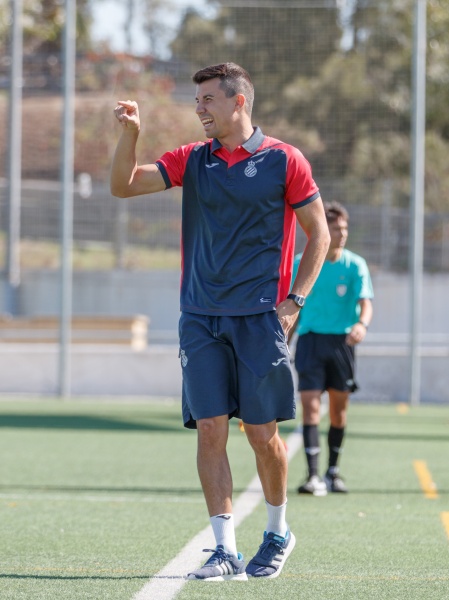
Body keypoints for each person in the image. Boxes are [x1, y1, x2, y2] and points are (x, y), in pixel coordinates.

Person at [110, 63, 330, 581]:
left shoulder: (284, 160)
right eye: (198, 101)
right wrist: (132, 136)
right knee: (209, 428)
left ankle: (278, 532)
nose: (199, 109)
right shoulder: (193, 159)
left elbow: (317, 234)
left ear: (238, 102)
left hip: (259, 319)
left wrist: (295, 301)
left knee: (261, 433)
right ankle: (225, 547)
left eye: (208, 99)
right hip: (200, 318)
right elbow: (123, 186)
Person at [291, 201, 373, 496]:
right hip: (310, 341)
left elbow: (366, 302)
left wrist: (361, 324)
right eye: (336, 228)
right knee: (311, 408)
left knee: (338, 413)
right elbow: (293, 307)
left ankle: (332, 472)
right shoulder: (302, 263)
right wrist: (283, 343)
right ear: (324, 230)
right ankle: (313, 476)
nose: (342, 233)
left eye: (344, 228)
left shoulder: (355, 265)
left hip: (342, 344)